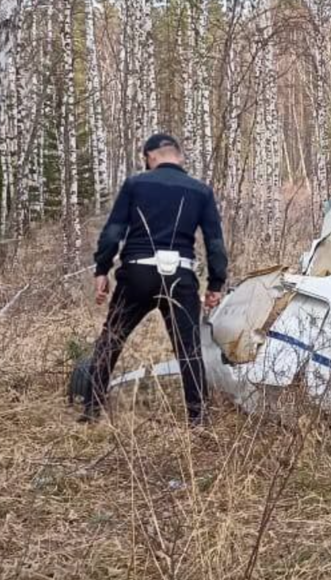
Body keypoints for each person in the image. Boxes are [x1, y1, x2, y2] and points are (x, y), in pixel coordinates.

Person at [84, 133, 228, 426]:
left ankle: (91, 412)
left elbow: (113, 233)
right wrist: (215, 284)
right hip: (180, 275)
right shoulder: (200, 191)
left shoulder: (136, 184)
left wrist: (102, 270)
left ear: (150, 157)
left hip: (137, 272)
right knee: (189, 349)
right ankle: (198, 420)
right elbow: (215, 243)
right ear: (179, 157)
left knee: (110, 340)